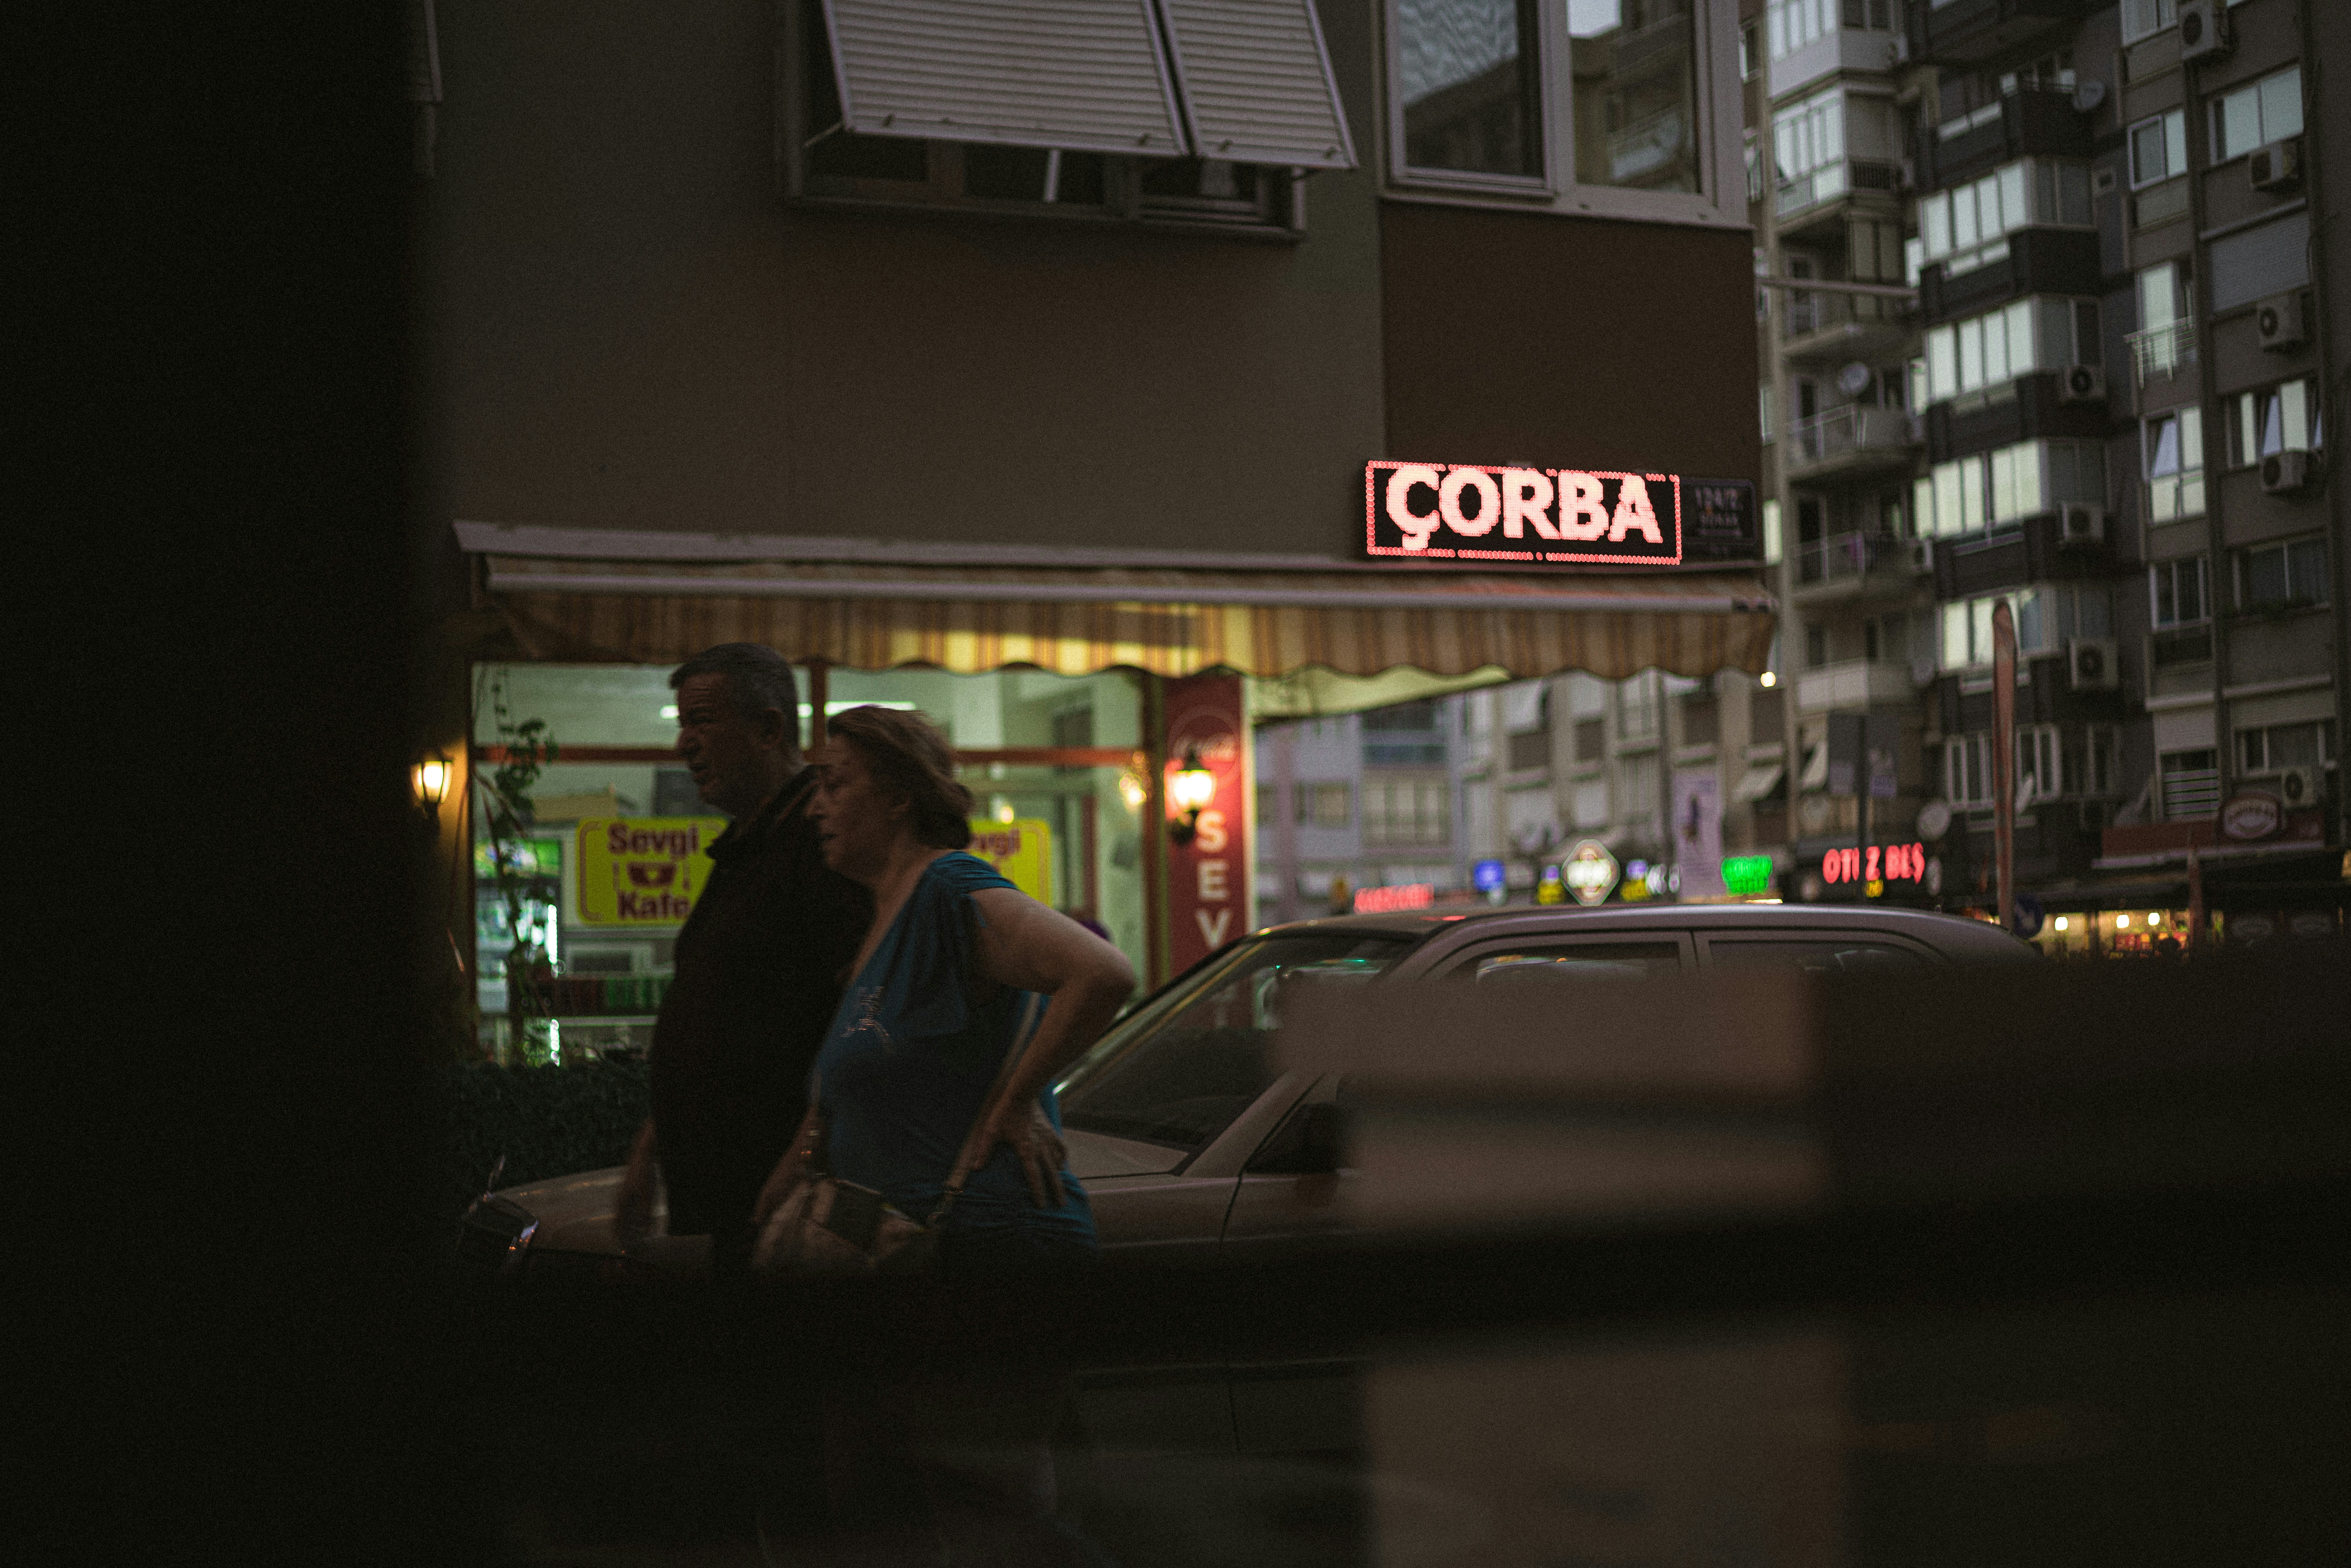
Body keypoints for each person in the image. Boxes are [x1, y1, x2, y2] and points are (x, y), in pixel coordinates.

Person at [755, 704, 1135, 1565]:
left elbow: (1101, 972)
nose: (815, 804)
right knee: (875, 1495)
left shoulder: (949, 889)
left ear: (895, 796)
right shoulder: (877, 929)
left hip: (981, 1247)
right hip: (895, 1259)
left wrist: (1013, 1101)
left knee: (986, 1513)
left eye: (835, 783)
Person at [611, 643, 868, 1279]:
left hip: (791, 1208)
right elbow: (718, 1019)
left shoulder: (820, 844)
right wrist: (651, 1148)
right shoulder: (749, 845)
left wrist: (805, 1153)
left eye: (701, 721)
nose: (683, 743)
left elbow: (861, 1019)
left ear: (769, 729)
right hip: (740, 1204)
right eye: (682, 723)